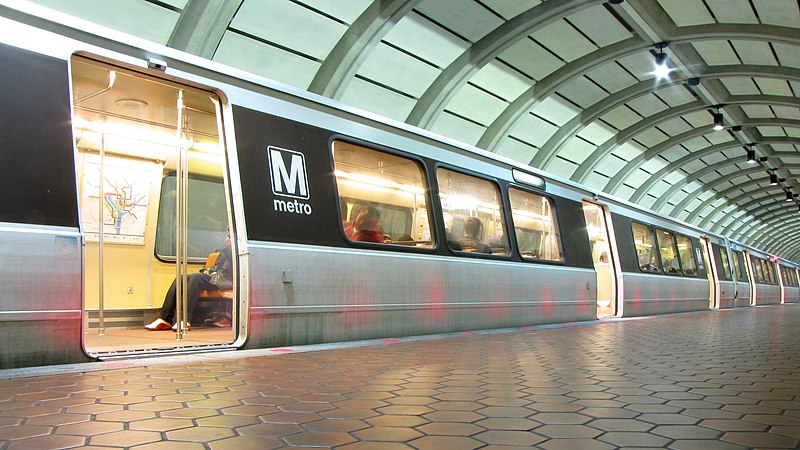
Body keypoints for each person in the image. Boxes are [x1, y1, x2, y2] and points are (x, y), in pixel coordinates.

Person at [145, 231, 233, 331]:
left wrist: (228, 248)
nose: (227, 237)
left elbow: (237, 266)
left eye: (229, 235)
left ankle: (184, 319)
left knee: (196, 277)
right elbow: (216, 267)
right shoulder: (222, 251)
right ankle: (164, 319)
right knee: (182, 277)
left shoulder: (239, 249)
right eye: (227, 235)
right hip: (216, 277)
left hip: (228, 279)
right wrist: (207, 271)